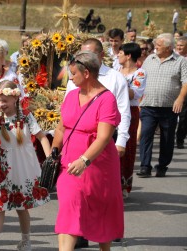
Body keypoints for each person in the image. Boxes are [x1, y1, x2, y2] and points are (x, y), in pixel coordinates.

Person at [52, 51, 124, 251]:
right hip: (69, 164)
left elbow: (104, 137)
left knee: (102, 212)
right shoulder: (72, 95)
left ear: (86, 74)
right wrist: (53, 151)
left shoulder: (106, 98)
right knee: (69, 207)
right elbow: (61, 127)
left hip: (97, 165)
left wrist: (84, 160)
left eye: (73, 73)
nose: (70, 77)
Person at [0, 80, 52, 251]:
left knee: (22, 207)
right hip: (4, 167)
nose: (1, 104)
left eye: (4, 101)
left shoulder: (26, 116)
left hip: (23, 167)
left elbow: (42, 137)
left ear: (15, 99)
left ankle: (26, 241)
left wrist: (50, 161)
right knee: (0, 206)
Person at [137, 33, 187, 178]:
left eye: (159, 45)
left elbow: (185, 82)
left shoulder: (180, 61)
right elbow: (141, 79)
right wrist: (139, 99)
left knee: (167, 138)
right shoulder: (149, 59)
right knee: (146, 135)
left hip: (169, 107)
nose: (156, 48)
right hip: (148, 105)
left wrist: (180, 99)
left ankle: (162, 165)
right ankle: (145, 166)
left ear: (169, 47)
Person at [118, 43, 146, 198]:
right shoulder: (116, 71)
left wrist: (117, 85)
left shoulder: (140, 73)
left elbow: (133, 94)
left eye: (120, 53)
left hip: (130, 111)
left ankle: (124, 184)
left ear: (128, 56)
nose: (118, 55)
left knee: (126, 147)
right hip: (112, 110)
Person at [176, 37, 187, 149]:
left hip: (185, 91)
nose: (179, 47)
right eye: (178, 45)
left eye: (182, 46)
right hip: (173, 90)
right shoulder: (173, 58)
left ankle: (180, 139)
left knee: (183, 117)